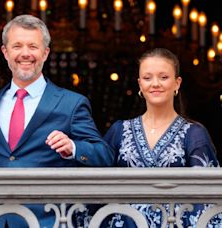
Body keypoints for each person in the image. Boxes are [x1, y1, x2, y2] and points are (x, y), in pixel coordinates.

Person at [0, 14, 114, 227]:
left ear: (45, 53)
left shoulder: (71, 104)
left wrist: (73, 147)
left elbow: (105, 155)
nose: (25, 54)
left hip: (49, 220)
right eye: (17, 46)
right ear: (5, 52)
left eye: (33, 46)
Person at [76, 48, 221, 227]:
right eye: (147, 78)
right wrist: (73, 149)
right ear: (139, 84)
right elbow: (95, 180)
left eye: (163, 77)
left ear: (177, 83)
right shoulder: (120, 130)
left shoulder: (194, 134)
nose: (155, 84)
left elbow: (207, 195)